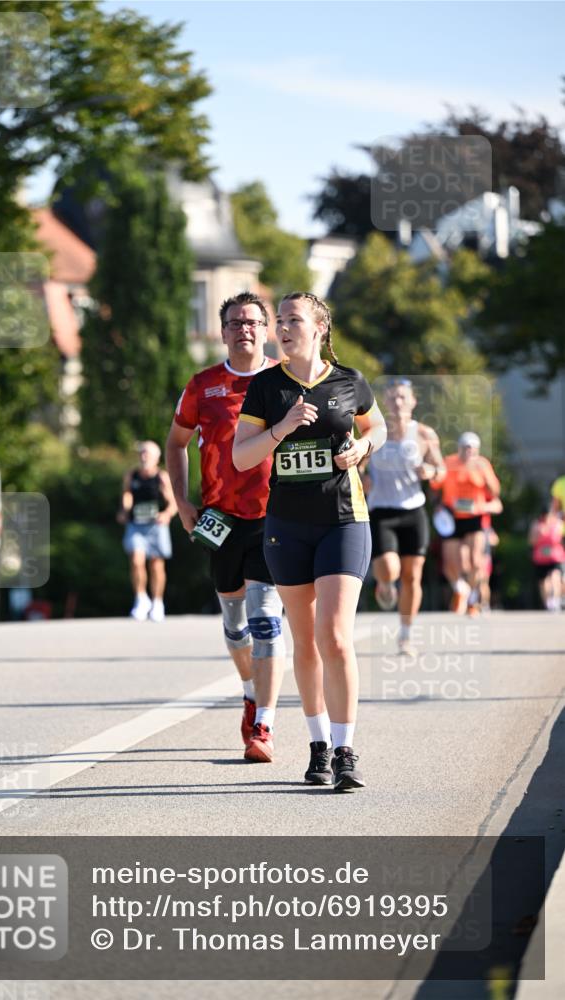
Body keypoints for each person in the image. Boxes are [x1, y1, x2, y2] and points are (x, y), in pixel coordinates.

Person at [233, 292, 386, 792]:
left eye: (293, 319)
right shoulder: (265, 387)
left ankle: (346, 750)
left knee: (335, 636)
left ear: (319, 327)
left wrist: (363, 446)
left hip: (343, 520)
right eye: (279, 320)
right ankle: (317, 745)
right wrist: (281, 428)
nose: (283, 327)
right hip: (286, 526)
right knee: (305, 641)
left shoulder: (348, 381)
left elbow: (376, 425)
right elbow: (240, 457)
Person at [165, 292, 285, 763]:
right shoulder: (203, 386)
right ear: (223, 331)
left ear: (266, 329)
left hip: (275, 518)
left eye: (253, 322)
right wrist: (182, 502)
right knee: (236, 629)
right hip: (221, 520)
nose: (245, 330)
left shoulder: (284, 380)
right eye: (235, 323)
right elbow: (175, 443)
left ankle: (265, 726)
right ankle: (251, 690)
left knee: (265, 619)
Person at [364, 378, 445, 657]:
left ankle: (406, 635)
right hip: (382, 511)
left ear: (412, 402)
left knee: (413, 576)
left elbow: (441, 469)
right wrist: (362, 478)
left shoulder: (424, 434)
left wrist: (431, 473)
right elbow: (358, 464)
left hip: (413, 511)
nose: (397, 403)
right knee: (389, 568)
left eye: (403, 398)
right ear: (384, 402)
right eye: (392, 398)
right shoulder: (375, 433)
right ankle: (385, 584)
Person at [431, 432, 502, 616]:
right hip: (452, 517)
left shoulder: (482, 464)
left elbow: (495, 491)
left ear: (477, 450)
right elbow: (435, 486)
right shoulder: (449, 462)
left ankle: (472, 600)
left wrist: (486, 477)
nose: (468, 451)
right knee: (450, 563)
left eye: (472, 448)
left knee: (476, 562)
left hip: (475, 517)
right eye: (465, 447)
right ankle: (461, 588)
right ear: (459, 448)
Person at [117, 441, 177, 622]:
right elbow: (127, 494)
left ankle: (157, 602)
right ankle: (141, 599)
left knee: (156, 565)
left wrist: (166, 514)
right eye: (141, 453)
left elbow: (173, 503)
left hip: (156, 525)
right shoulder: (132, 475)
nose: (144, 457)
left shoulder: (161, 477)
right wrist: (125, 510)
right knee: (136, 560)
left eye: (147, 454)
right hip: (136, 524)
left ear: (156, 458)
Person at [528, 507, 564, 611]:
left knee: (555, 577)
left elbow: (561, 538)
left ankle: (556, 599)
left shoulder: (558, 524)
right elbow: (531, 541)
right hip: (541, 557)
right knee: (543, 581)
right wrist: (539, 534)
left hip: (555, 556)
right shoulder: (537, 525)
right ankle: (547, 602)